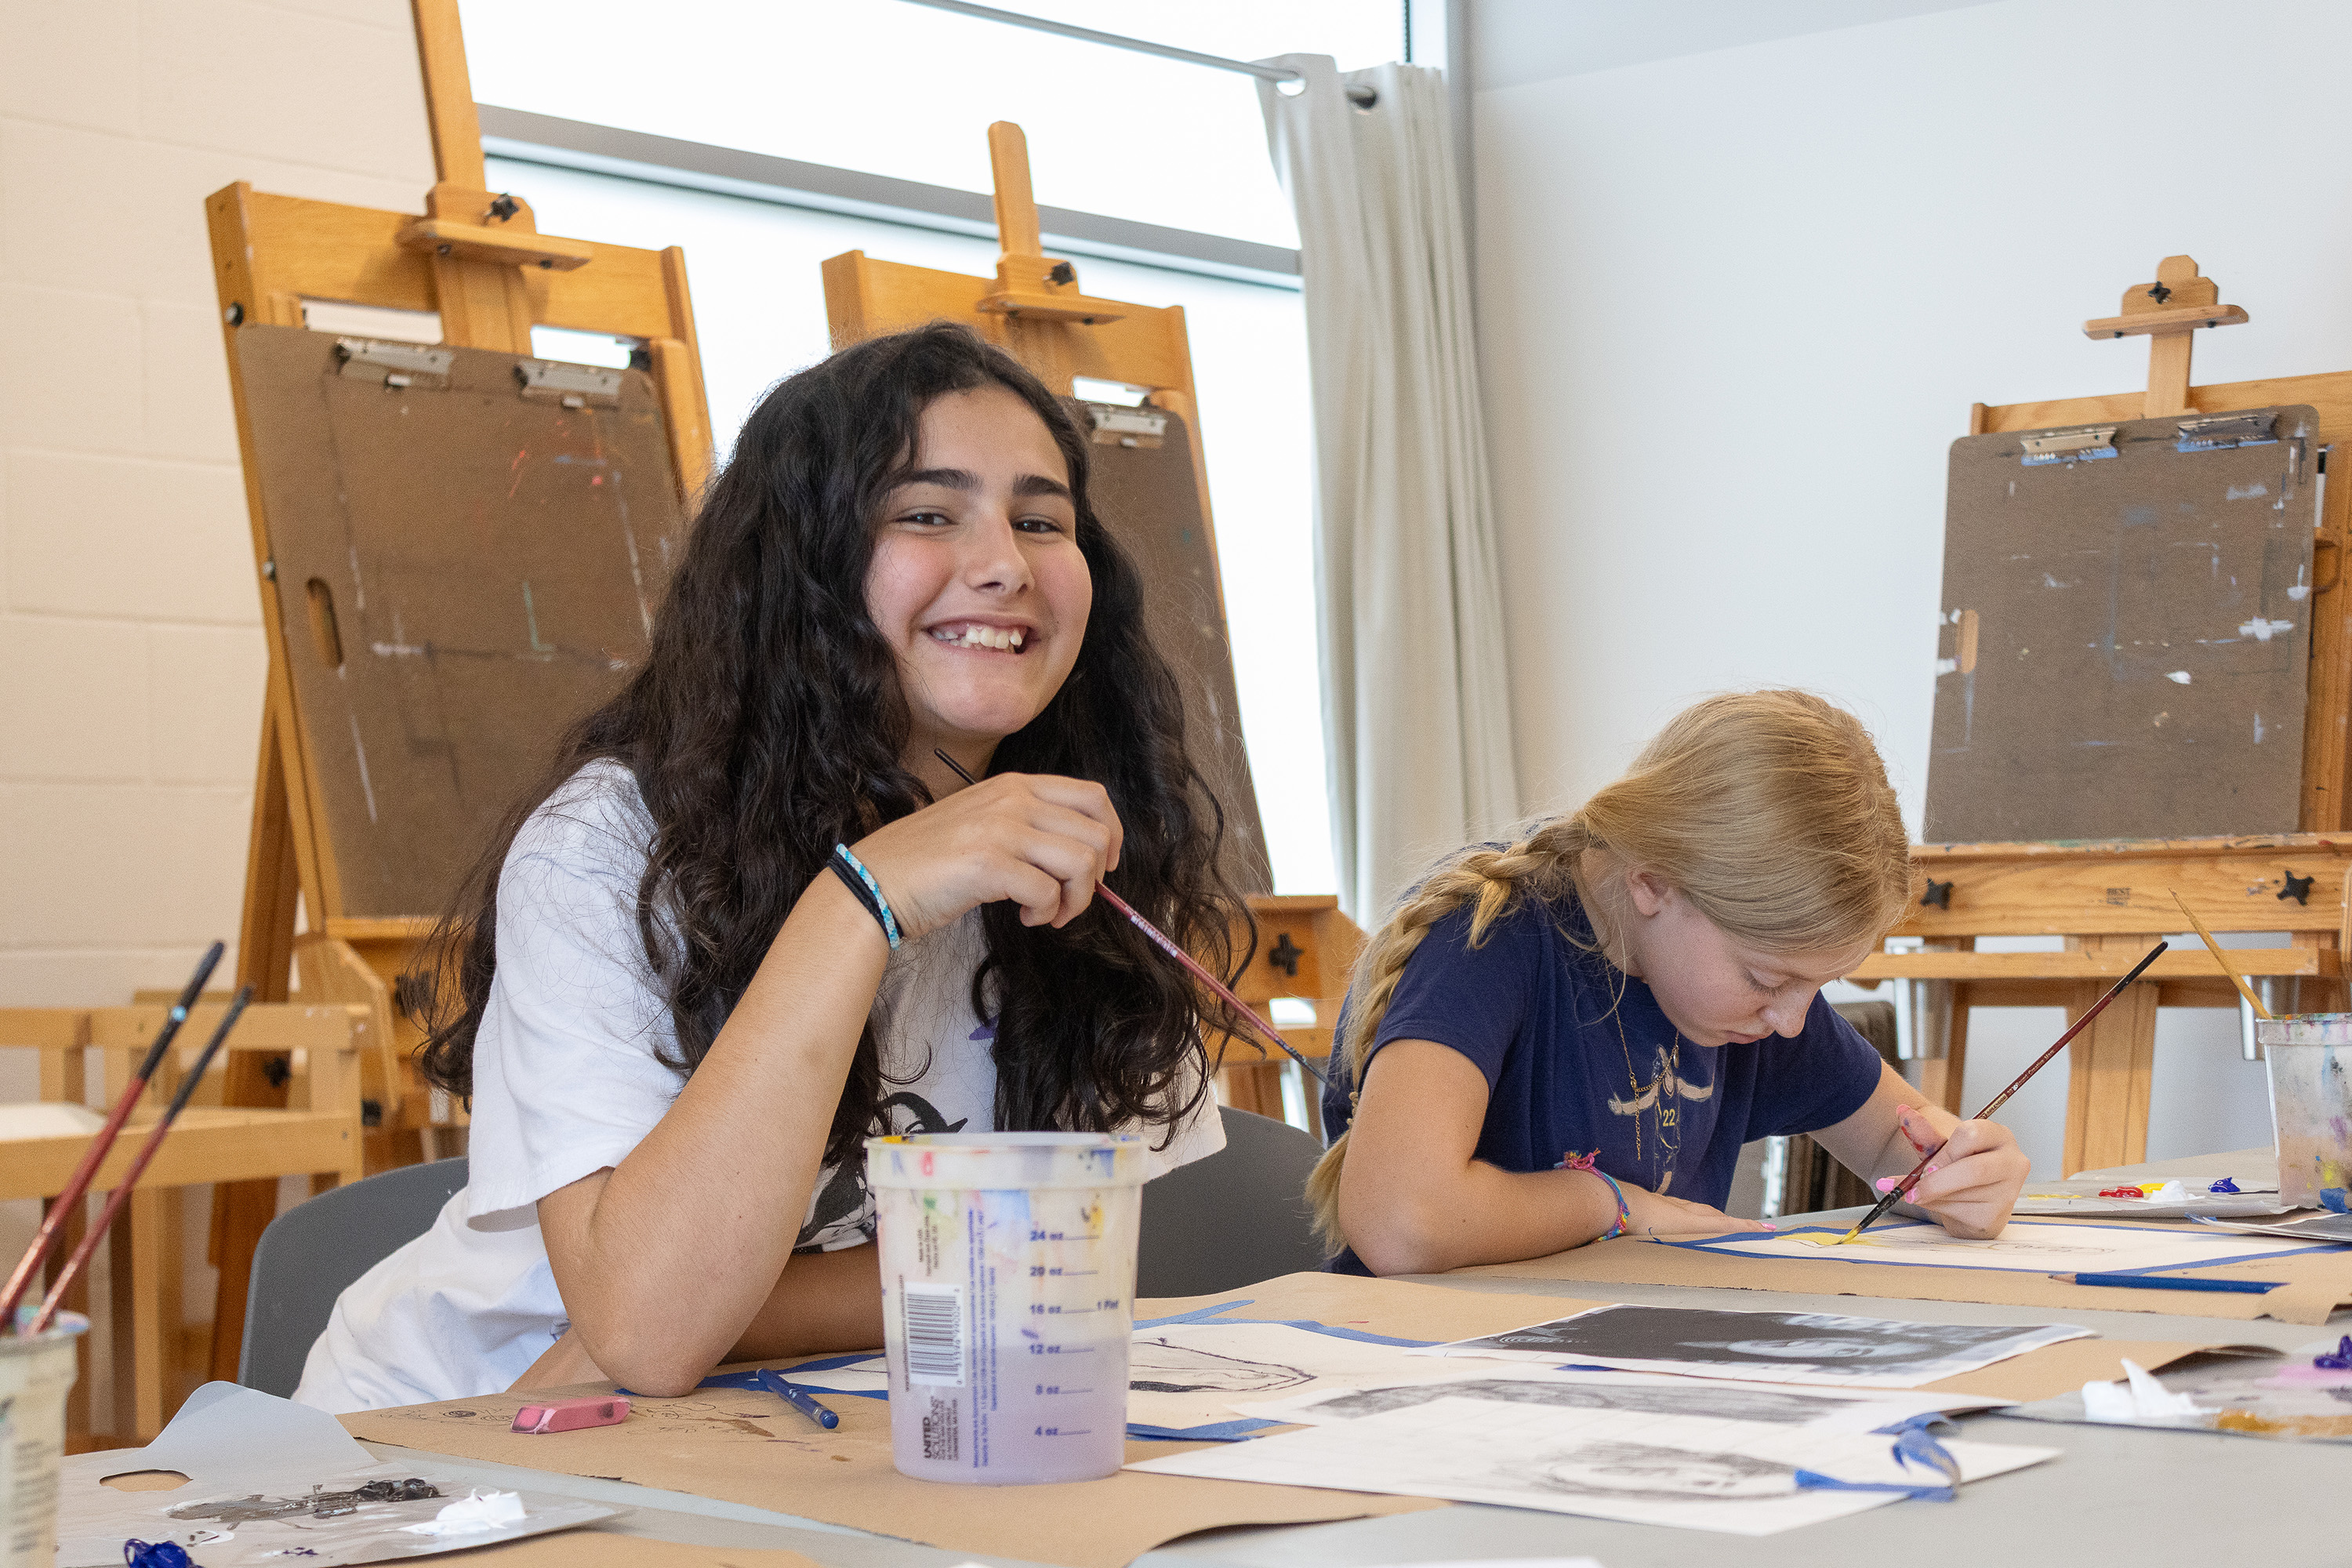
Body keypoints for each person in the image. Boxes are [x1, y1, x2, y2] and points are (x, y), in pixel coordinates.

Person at [293, 323, 1247, 1410]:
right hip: (450, 1437)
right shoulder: (609, 847)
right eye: (926, 514)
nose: (1004, 564)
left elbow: (1072, 1264)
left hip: (792, 1415)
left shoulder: (1084, 851)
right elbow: (655, 1329)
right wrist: (863, 903)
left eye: (1042, 520)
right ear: (802, 567)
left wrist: (719, 1321)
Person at [1309, 690, 2027, 1276]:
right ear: (1653, 883)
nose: (1791, 1022)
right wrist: (1614, 1205)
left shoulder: (1740, 999)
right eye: (1768, 978)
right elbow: (1401, 1223)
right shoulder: (1489, 938)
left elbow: (1894, 1149)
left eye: (1819, 985)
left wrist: (1962, 1176)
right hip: (1432, 1378)